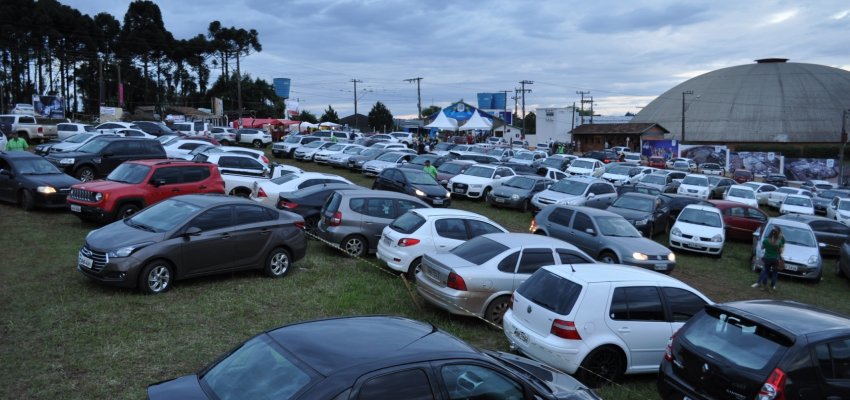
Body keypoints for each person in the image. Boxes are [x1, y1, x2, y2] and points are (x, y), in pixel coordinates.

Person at [752, 226, 784, 293]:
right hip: (775, 259)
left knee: (766, 271)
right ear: (778, 234)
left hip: (767, 258)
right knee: (774, 273)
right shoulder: (779, 242)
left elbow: (762, 247)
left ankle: (764, 284)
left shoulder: (766, 240)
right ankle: (772, 286)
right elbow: (781, 252)